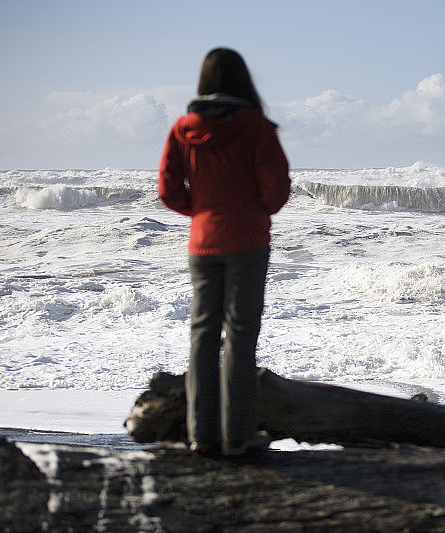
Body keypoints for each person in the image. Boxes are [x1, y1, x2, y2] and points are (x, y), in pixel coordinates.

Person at [158, 48, 291, 456]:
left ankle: (201, 436)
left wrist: (199, 212)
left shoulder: (183, 128)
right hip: (247, 240)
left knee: (202, 334)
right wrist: (252, 212)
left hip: (202, 242)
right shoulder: (256, 127)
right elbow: (276, 188)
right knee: (240, 335)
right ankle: (238, 435)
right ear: (242, 81)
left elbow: (167, 189)